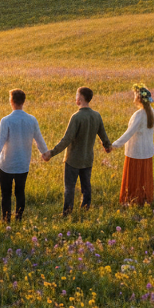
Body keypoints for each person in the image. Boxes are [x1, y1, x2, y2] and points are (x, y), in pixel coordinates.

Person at [0, 88, 48, 225]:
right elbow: (39, 140)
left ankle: (6, 221)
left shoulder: (6, 121)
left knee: (6, 194)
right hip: (23, 164)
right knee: (20, 193)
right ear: (23, 101)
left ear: (11, 101)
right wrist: (45, 153)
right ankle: (19, 219)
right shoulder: (32, 120)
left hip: (6, 164)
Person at [43, 86, 112, 214]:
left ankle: (67, 212)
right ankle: (85, 210)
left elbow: (67, 139)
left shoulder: (76, 117)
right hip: (87, 159)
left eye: (76, 96)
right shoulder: (96, 116)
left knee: (69, 187)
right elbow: (103, 134)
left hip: (73, 160)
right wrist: (107, 146)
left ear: (79, 99)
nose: (75, 98)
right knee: (86, 186)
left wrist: (51, 153)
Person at [113, 83, 154, 205]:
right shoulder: (151, 112)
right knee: (143, 177)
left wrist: (114, 145)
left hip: (135, 151)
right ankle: (144, 199)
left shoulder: (139, 114)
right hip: (147, 151)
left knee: (134, 176)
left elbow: (129, 133)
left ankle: (132, 200)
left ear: (138, 98)